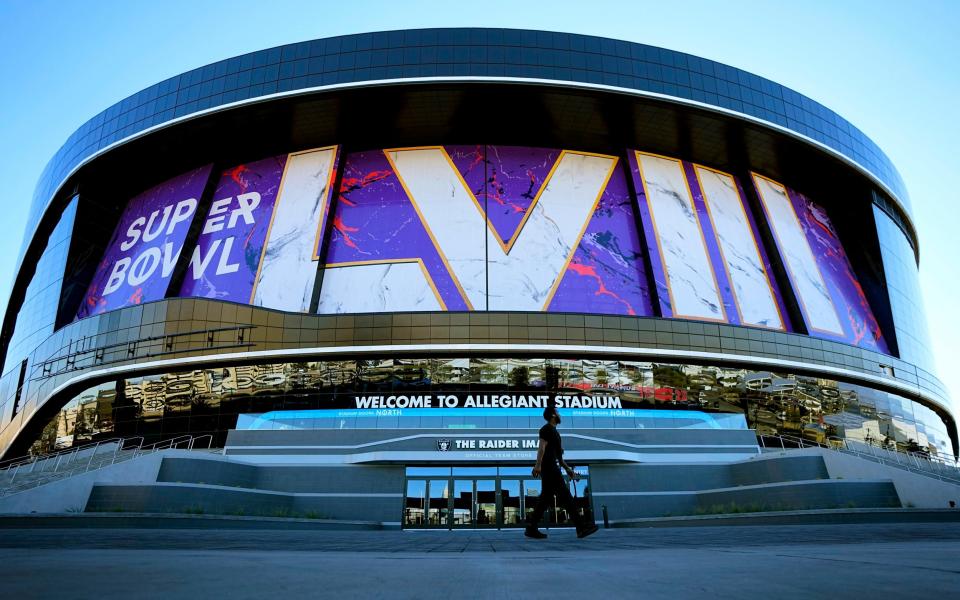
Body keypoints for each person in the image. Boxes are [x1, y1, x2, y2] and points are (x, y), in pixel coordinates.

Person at [526, 405, 599, 539]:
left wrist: (568, 469)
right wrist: (537, 466)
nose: (560, 415)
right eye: (558, 412)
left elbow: (559, 457)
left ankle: (531, 527)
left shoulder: (556, 434)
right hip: (549, 468)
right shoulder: (546, 429)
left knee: (545, 499)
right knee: (566, 496)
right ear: (553, 415)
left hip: (553, 467)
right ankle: (581, 528)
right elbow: (541, 448)